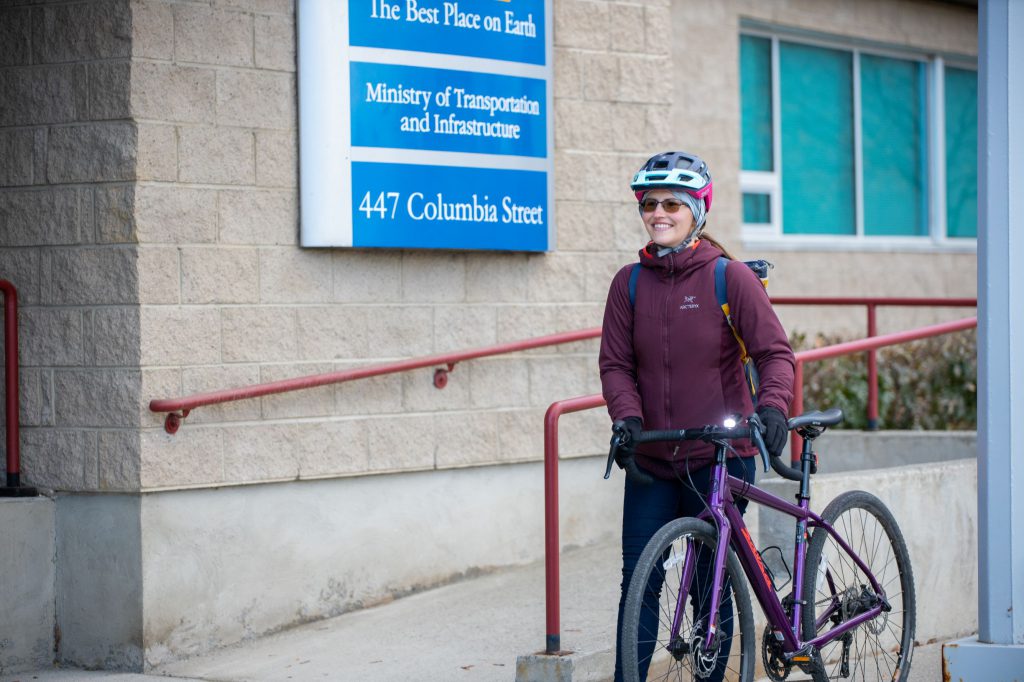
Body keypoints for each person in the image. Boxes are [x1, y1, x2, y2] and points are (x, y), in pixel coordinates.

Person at [598, 151, 796, 681]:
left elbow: (775, 354)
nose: (658, 213)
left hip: (718, 457)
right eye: (650, 204)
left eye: (671, 204)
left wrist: (773, 406)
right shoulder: (629, 284)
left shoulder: (728, 279)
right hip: (653, 456)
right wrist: (628, 418)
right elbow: (616, 364)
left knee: (711, 582)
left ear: (697, 211)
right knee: (638, 579)